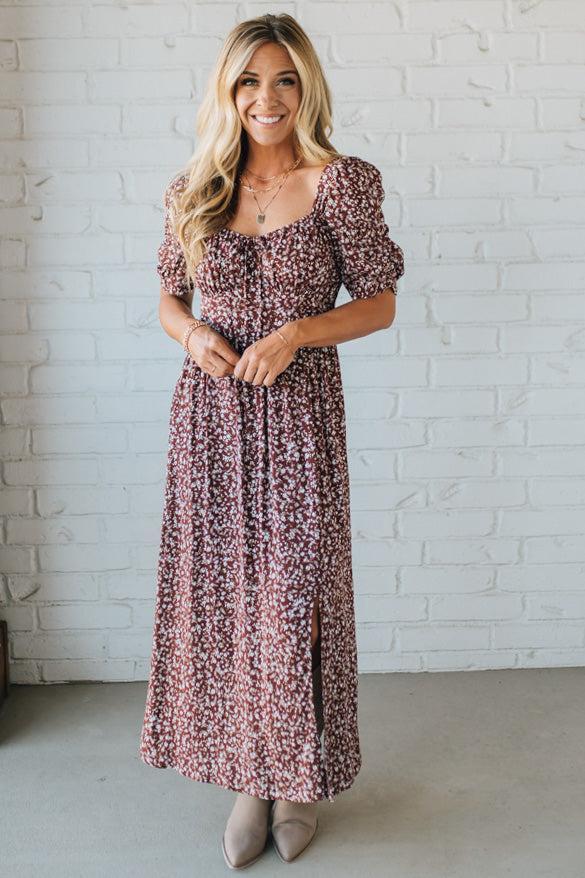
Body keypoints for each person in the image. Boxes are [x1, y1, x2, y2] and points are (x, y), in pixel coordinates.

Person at [138, 12, 405, 870]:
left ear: (306, 87)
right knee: (231, 606)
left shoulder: (340, 183)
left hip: (297, 421)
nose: (267, 97)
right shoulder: (195, 187)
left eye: (284, 79)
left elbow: (379, 302)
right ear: (227, 90)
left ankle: (298, 781)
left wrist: (296, 334)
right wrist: (191, 335)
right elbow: (168, 297)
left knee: (296, 601)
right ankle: (249, 780)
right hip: (211, 423)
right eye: (249, 80)